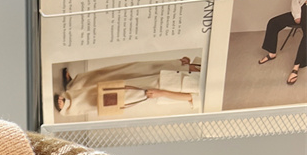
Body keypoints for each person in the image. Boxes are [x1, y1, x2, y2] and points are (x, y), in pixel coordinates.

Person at [54, 57, 201, 115]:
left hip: (165, 86)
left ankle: (71, 104)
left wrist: (161, 93)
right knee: (120, 72)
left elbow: (193, 98)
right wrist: (189, 65)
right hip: (174, 70)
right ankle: (76, 84)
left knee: (116, 93)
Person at [258, 0, 307, 85]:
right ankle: (272, 53)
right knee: (273, 22)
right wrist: (297, 16)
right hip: (300, 13)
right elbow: (295, 2)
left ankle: (296, 67)